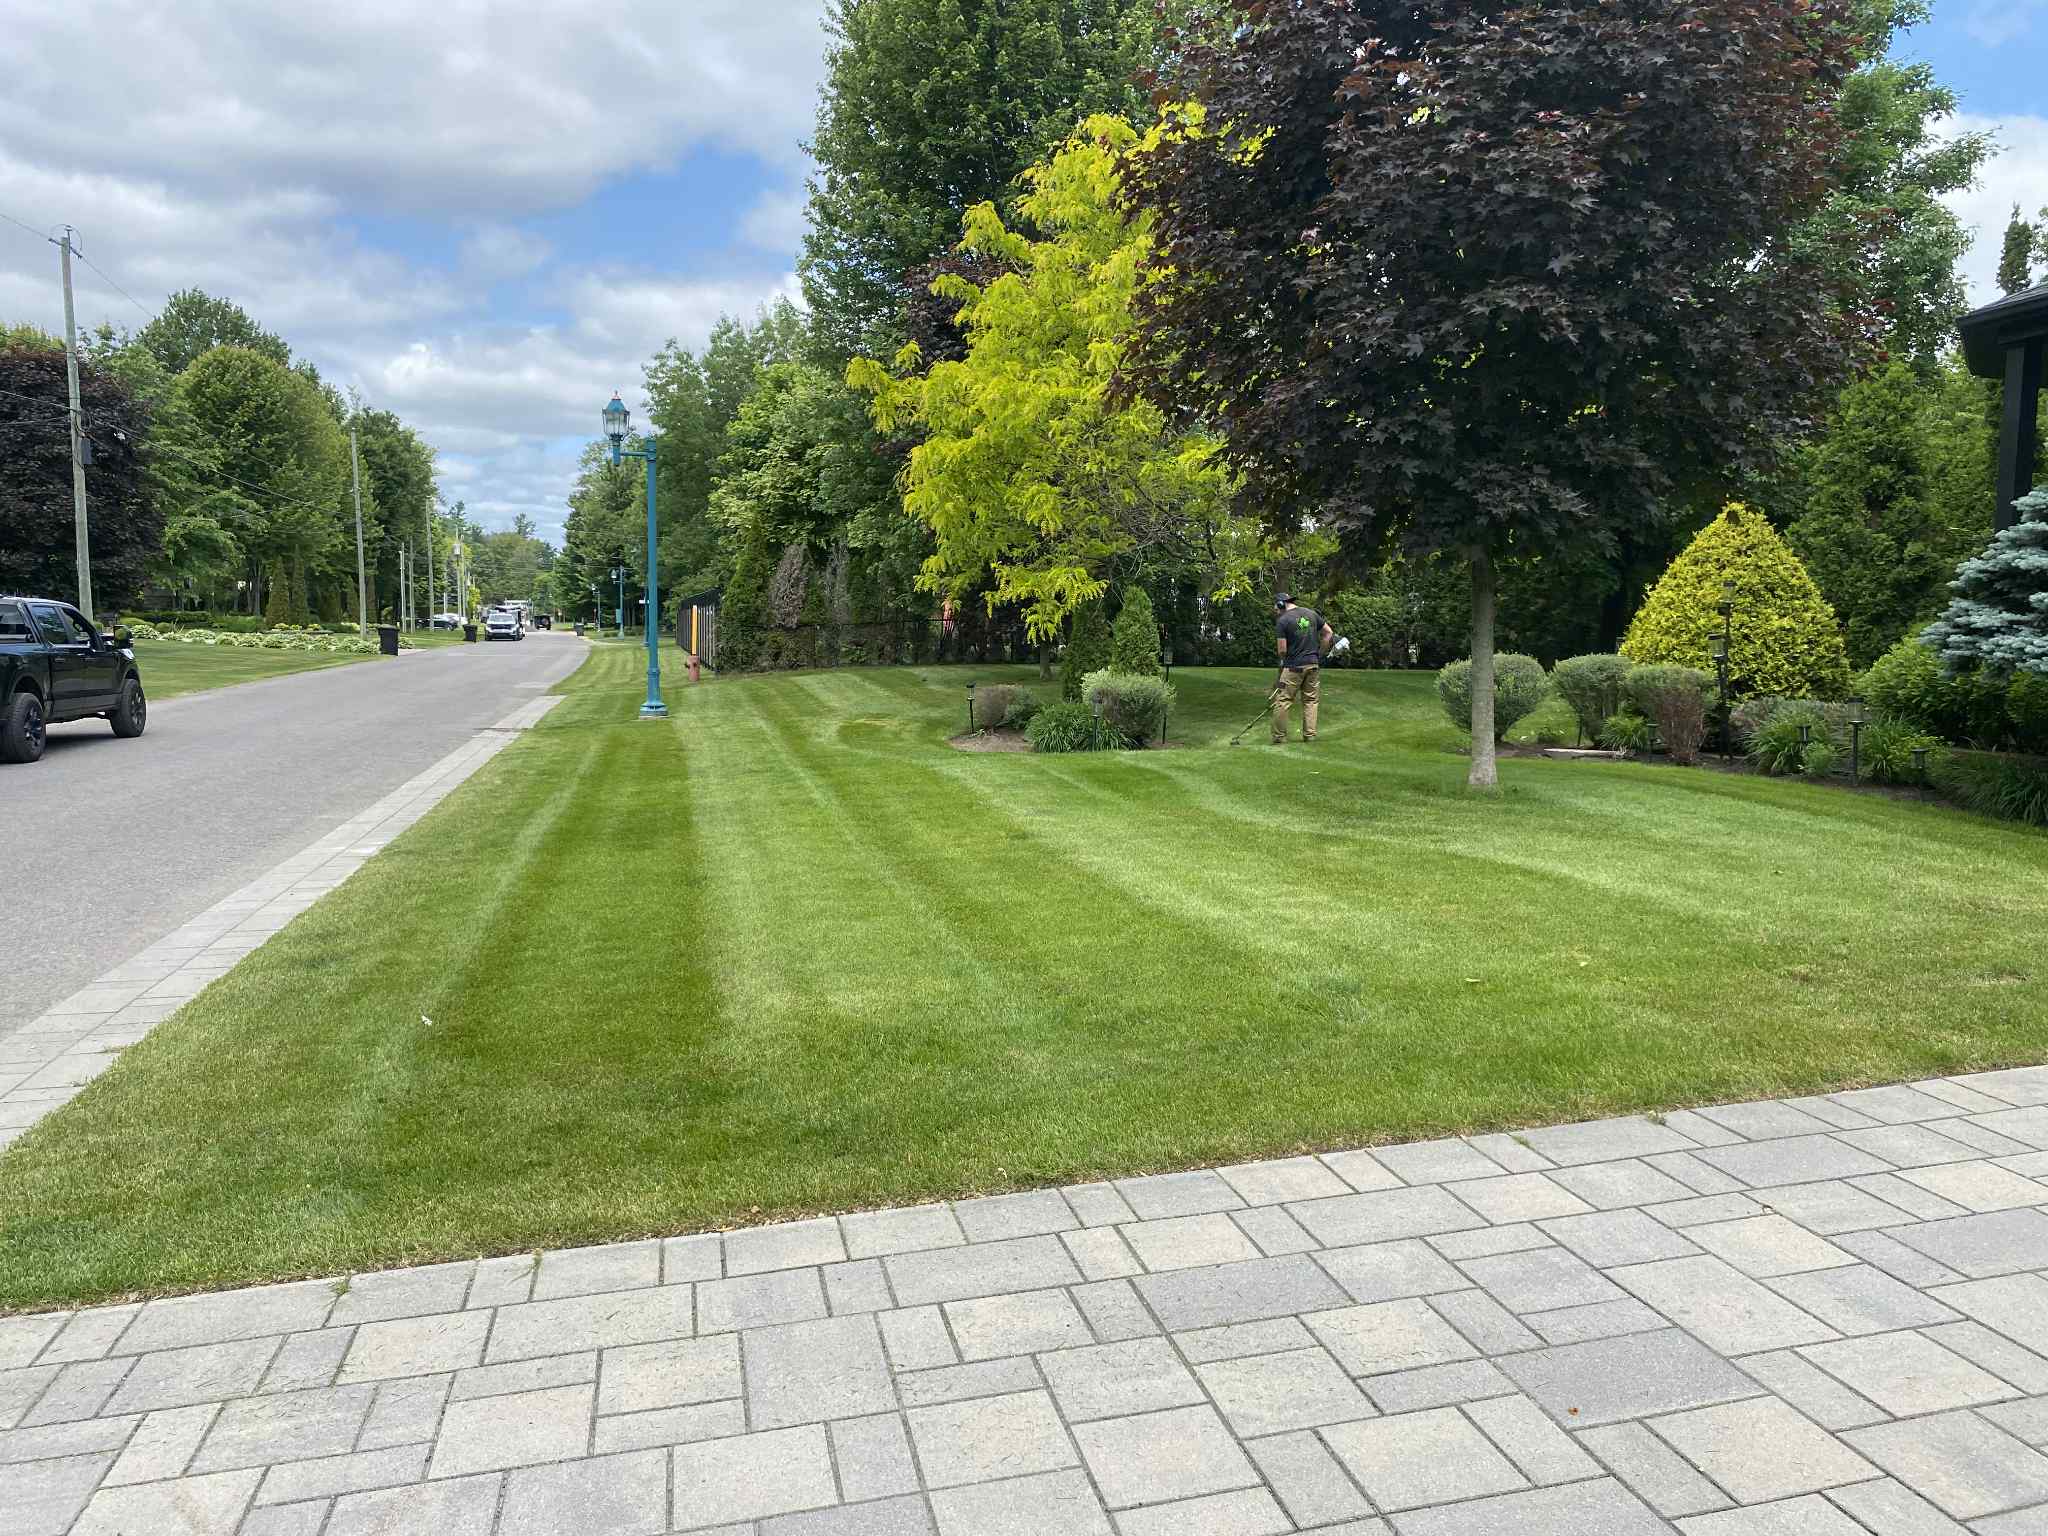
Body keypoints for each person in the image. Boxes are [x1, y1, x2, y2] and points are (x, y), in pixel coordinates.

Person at [1272, 592, 1333, 743]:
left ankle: (1279, 737)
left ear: (1281, 604)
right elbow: (1328, 633)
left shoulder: (1283, 621)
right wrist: (1320, 654)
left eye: (1276, 607)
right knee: (1311, 700)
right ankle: (1310, 735)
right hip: (1313, 664)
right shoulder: (1311, 614)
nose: (1276, 610)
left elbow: (1282, 650)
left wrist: (1282, 664)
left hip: (1293, 667)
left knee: (1283, 699)